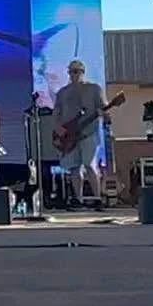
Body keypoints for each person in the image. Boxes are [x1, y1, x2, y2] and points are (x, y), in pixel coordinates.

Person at [53, 59, 109, 206]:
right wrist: (58, 126)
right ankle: (78, 199)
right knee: (74, 167)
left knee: (90, 164)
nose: (74, 74)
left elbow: (104, 107)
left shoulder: (94, 89)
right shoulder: (62, 93)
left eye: (77, 71)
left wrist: (106, 115)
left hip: (88, 132)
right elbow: (56, 112)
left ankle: (97, 198)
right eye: (71, 71)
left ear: (83, 72)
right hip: (70, 136)